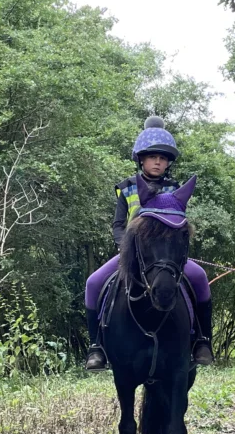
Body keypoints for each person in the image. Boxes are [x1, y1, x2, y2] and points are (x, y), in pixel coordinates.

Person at [84, 117, 214, 370]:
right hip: (133, 254)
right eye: (153, 156)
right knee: (93, 283)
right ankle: (96, 346)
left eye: (163, 158)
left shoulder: (176, 190)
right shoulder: (127, 188)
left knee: (199, 279)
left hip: (167, 256)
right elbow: (118, 224)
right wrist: (126, 249)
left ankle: (202, 341)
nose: (158, 162)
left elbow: (180, 227)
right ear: (141, 159)